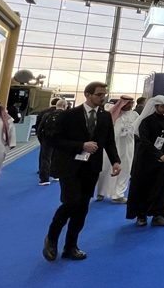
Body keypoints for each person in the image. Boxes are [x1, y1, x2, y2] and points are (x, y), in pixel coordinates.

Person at [43, 81, 121, 262]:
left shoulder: (105, 117)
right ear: (87, 94)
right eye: (99, 94)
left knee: (82, 208)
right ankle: (51, 239)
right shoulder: (69, 115)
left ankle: (71, 246)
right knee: (71, 202)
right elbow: (53, 140)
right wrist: (81, 145)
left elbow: (109, 141)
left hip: (91, 168)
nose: (103, 98)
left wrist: (116, 161)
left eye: (104, 94)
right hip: (69, 167)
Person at [127, 95, 164, 226]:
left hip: (162, 160)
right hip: (146, 160)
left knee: (161, 187)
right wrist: (159, 155)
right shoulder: (146, 121)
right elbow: (144, 141)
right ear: (155, 106)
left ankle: (158, 215)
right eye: (162, 106)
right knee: (143, 187)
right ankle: (141, 216)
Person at [95, 96, 137, 203]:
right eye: (128, 103)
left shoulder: (134, 115)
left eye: (131, 103)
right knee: (105, 168)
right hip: (111, 147)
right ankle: (101, 192)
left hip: (127, 146)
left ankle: (118, 194)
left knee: (125, 169)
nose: (130, 105)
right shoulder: (112, 114)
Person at [37, 99, 67, 186]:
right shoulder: (67, 115)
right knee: (58, 157)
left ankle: (44, 179)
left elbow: (40, 129)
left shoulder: (47, 114)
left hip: (47, 139)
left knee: (45, 159)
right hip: (60, 141)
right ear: (65, 106)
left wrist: (42, 140)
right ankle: (56, 175)